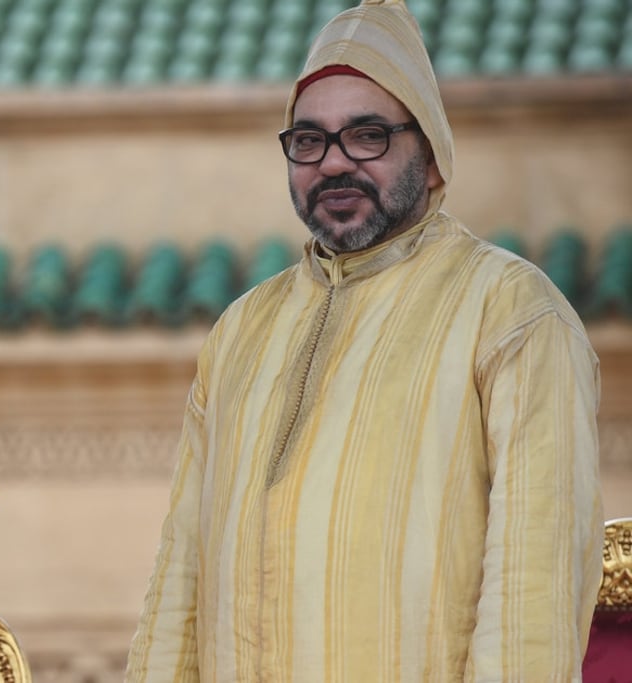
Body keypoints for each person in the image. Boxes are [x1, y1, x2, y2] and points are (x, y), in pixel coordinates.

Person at [125, 1, 604, 680]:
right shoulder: (240, 331)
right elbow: (181, 576)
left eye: (368, 135)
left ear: (432, 155)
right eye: (309, 141)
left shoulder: (511, 312)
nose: (333, 163)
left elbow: (537, 584)